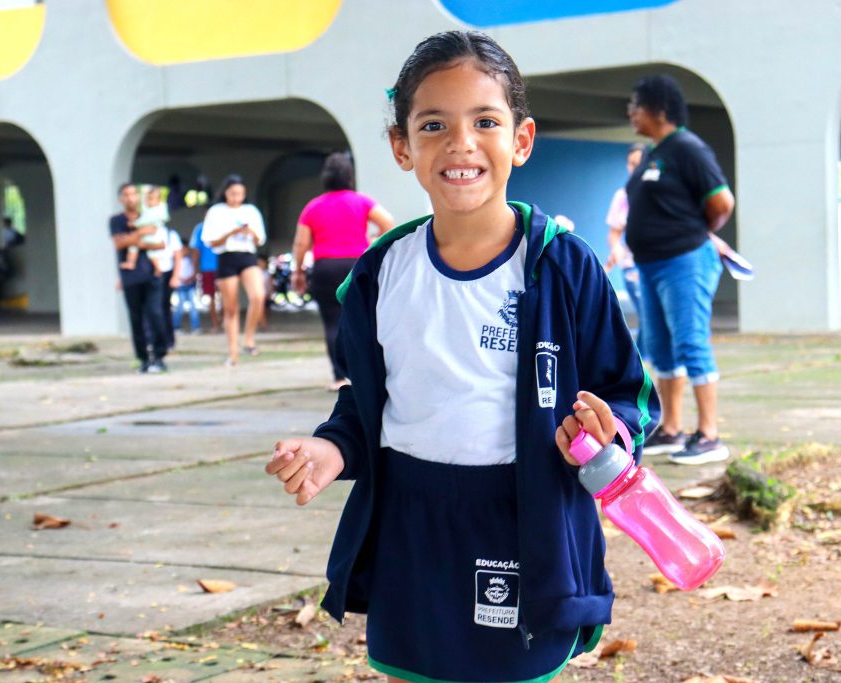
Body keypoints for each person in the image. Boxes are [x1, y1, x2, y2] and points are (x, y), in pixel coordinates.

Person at [266, 31, 660, 683]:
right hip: (411, 525)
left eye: (485, 121)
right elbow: (367, 400)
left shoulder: (563, 265)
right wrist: (333, 448)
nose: (461, 143)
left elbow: (628, 392)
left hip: (521, 521)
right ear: (402, 146)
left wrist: (606, 432)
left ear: (521, 140)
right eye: (433, 125)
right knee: (415, 670)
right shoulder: (380, 273)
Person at [624, 74, 735, 465]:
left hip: (684, 260)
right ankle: (671, 429)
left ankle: (710, 435)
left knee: (690, 342)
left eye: (635, 105)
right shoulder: (654, 152)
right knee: (661, 348)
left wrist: (697, 232)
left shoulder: (688, 148)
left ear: (658, 109)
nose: (630, 112)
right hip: (651, 265)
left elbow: (722, 202)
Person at [291, 151, 394, 391]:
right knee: (364, 320)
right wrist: (372, 243)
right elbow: (388, 223)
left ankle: (339, 378)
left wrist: (298, 272)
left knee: (332, 323)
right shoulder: (362, 201)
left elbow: (301, 243)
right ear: (349, 176)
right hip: (356, 266)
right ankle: (366, 375)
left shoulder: (313, 207)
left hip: (325, 268)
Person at [201, 175, 266, 366]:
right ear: (225, 193)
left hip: (247, 256)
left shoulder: (251, 211)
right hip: (226, 257)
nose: (236, 197)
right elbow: (211, 242)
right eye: (232, 193)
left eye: (240, 194)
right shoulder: (216, 211)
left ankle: (249, 339)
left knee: (258, 296)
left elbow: (259, 240)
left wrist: (249, 232)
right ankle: (233, 352)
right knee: (231, 308)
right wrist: (231, 233)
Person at [109, 182, 169, 374]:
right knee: (136, 319)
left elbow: (160, 243)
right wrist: (141, 234)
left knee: (155, 314)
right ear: (121, 199)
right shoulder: (116, 221)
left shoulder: (149, 215)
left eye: (133, 194)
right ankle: (143, 358)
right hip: (130, 277)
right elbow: (118, 244)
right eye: (126, 195)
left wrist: (133, 240)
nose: (131, 198)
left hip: (152, 274)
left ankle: (159, 356)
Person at [604, 143, 648, 360]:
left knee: (656, 318)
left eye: (639, 163)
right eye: (631, 164)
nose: (634, 168)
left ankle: (642, 362)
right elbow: (614, 233)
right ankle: (640, 362)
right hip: (633, 267)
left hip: (660, 264)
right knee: (646, 314)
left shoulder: (661, 194)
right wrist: (616, 248)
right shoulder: (622, 197)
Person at [121, 186, 169, 274]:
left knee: (134, 246)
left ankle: (132, 262)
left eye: (151, 199)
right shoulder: (156, 210)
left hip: (152, 236)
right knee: (145, 251)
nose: (148, 202)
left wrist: (134, 224)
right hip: (150, 236)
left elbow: (144, 221)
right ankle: (132, 263)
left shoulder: (153, 212)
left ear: (158, 201)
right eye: (148, 199)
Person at [190, 221, 219, 333]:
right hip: (210, 268)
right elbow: (196, 250)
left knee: (214, 297)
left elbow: (195, 250)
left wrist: (195, 269)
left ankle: (217, 324)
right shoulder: (200, 228)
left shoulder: (200, 228)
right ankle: (216, 323)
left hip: (215, 267)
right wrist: (195, 269)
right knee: (213, 297)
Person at [172, 238, 200, 333]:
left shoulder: (191, 259)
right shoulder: (176, 260)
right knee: (179, 307)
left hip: (190, 285)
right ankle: (176, 326)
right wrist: (181, 279)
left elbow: (195, 271)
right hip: (180, 286)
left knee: (193, 307)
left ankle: (195, 327)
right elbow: (175, 272)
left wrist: (190, 278)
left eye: (186, 249)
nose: (185, 251)